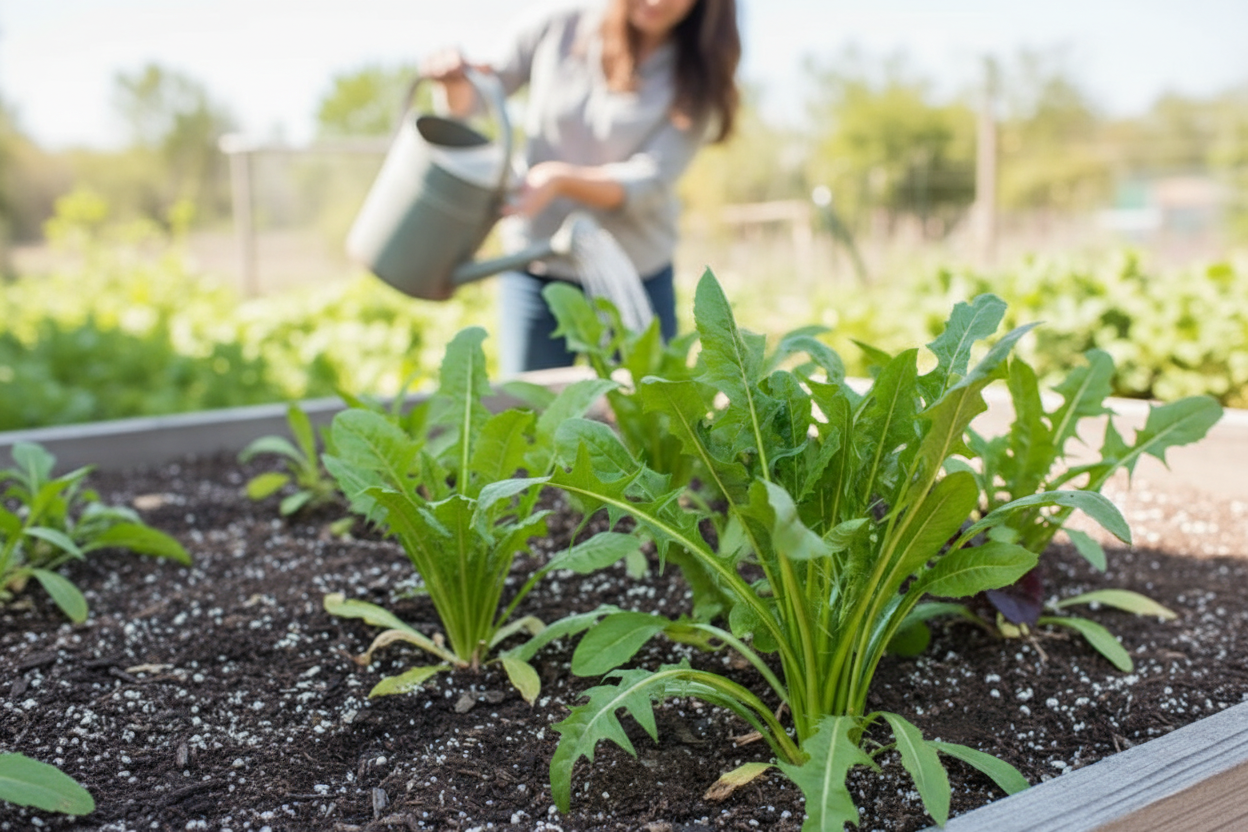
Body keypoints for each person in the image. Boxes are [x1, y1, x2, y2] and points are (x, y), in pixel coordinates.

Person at [423, 0, 741, 375]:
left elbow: (650, 180)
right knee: (532, 401)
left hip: (634, 271)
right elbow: (476, 98)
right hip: (537, 261)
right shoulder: (557, 25)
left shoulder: (699, 72)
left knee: (647, 400)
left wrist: (561, 180)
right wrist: (454, 83)